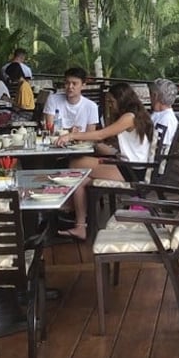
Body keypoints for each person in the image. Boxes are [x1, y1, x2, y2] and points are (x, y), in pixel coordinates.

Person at [52, 82, 154, 241]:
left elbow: (101, 134)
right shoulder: (136, 115)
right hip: (130, 165)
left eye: (112, 102)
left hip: (132, 171)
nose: (111, 106)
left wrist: (71, 136)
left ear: (121, 99)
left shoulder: (129, 117)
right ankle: (80, 227)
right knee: (82, 180)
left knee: (75, 162)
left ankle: (67, 206)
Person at [43, 67, 99, 133]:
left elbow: (90, 135)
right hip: (56, 138)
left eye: (74, 83)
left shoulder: (91, 106)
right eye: (67, 83)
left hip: (81, 139)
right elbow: (49, 128)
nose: (70, 87)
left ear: (83, 86)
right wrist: (68, 131)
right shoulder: (53, 99)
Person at [149, 77, 179, 156]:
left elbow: (160, 148)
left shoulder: (167, 119)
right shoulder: (159, 114)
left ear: (155, 96)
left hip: (150, 160)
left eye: (150, 94)